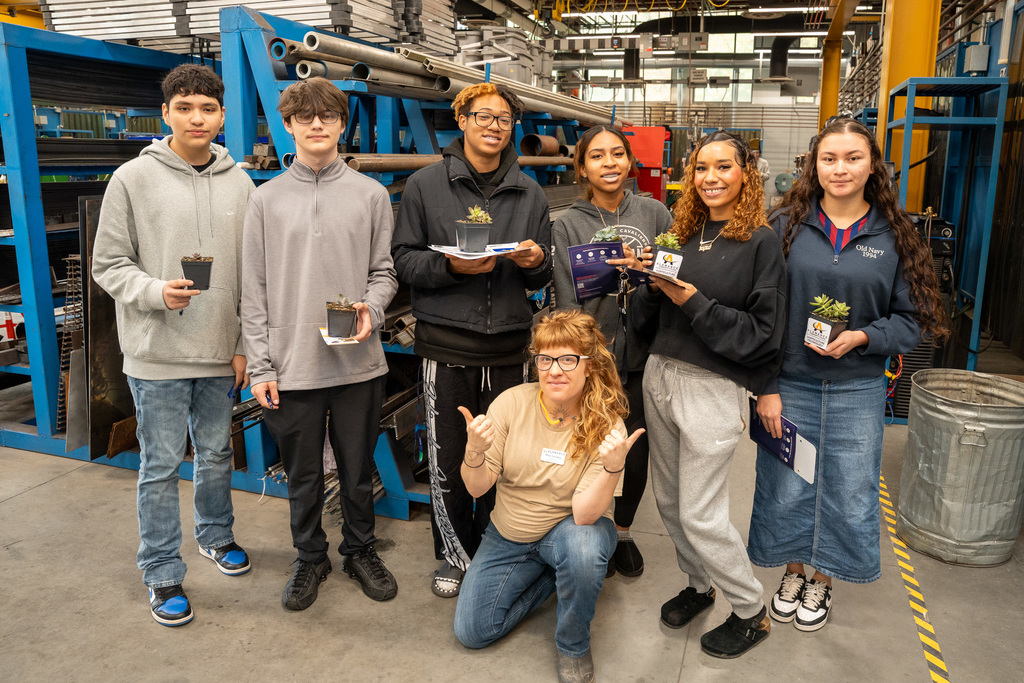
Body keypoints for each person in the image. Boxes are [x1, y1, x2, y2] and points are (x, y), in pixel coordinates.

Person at [748, 117, 949, 632]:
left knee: (846, 487)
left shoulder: (894, 235)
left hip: (857, 388)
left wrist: (863, 337)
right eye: (829, 158)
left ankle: (824, 579)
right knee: (787, 481)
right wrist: (766, 386)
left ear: (872, 166)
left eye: (853, 158)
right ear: (814, 166)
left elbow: (912, 321)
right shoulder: (785, 226)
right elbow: (762, 313)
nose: (841, 168)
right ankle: (792, 572)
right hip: (788, 383)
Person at [92, 64, 255, 627]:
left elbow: (249, 275)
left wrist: (241, 345)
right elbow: (107, 265)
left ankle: (215, 536)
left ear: (222, 116)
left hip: (218, 352)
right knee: (160, 466)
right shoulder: (131, 180)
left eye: (208, 108)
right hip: (156, 352)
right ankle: (162, 572)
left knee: (215, 455)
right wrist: (156, 291)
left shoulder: (241, 183)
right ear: (166, 114)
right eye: (184, 107)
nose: (197, 118)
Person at [241, 78, 399, 611]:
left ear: (340, 124)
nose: (316, 124)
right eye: (304, 117)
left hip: (357, 362)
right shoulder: (264, 201)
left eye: (327, 116)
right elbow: (254, 290)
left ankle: (360, 550)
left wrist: (371, 309)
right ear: (287, 125)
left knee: (357, 469)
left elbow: (385, 272)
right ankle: (309, 557)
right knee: (303, 474)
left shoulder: (371, 195)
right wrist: (261, 367)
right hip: (291, 367)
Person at [629, 130, 787, 658]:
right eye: (701, 168)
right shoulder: (683, 232)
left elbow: (761, 333)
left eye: (723, 167)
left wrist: (692, 300)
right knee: (671, 504)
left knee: (701, 513)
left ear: (747, 173)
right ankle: (700, 586)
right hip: (660, 375)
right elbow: (654, 317)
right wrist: (648, 285)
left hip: (712, 388)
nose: (710, 178)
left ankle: (750, 610)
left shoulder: (761, 242)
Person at [392, 82, 551, 598]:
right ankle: (455, 554)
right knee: (450, 456)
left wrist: (536, 264)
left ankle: (497, 547)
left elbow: (539, 277)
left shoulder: (530, 192)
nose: (493, 126)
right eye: (482, 116)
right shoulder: (425, 186)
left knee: (506, 457)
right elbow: (405, 261)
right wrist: (450, 267)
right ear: (461, 120)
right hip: (447, 348)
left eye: (504, 119)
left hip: (508, 348)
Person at [453, 310, 644, 683]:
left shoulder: (606, 422)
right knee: (473, 632)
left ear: (589, 366)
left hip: (572, 529)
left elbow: (586, 515)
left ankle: (573, 644)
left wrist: (612, 467)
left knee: (584, 548)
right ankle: (556, 577)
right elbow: (477, 488)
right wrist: (473, 451)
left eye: (568, 359)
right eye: (545, 359)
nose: (555, 370)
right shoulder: (510, 404)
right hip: (510, 534)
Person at [551, 124, 671, 578]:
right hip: (592, 356)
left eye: (617, 154)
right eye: (597, 156)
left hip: (643, 352)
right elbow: (566, 298)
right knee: (584, 448)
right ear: (582, 167)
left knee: (633, 449)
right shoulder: (567, 224)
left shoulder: (655, 213)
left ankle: (621, 531)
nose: (609, 163)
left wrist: (650, 270)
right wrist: (580, 358)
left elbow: (673, 270)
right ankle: (581, 528)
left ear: (629, 161)